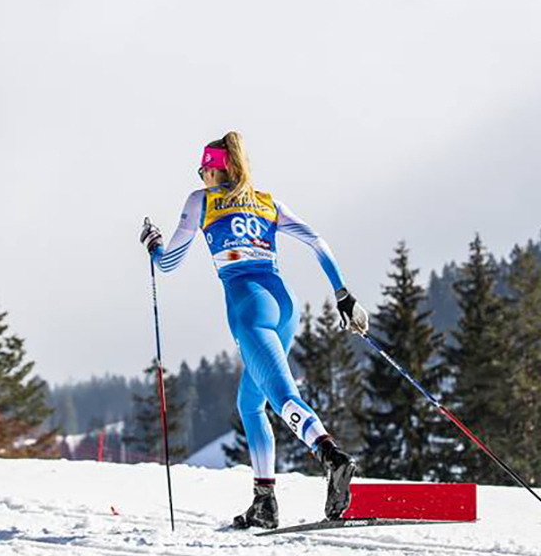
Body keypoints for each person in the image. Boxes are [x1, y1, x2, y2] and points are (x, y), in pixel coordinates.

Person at [140, 131, 369, 530]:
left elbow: (170, 263)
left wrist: (154, 245)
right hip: (284, 304)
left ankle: (331, 456)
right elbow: (317, 241)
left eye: (202, 170)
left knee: (281, 395)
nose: (201, 177)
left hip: (248, 308)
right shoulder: (267, 202)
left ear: (216, 169)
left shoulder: (202, 201)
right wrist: (343, 295)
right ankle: (264, 502)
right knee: (251, 403)